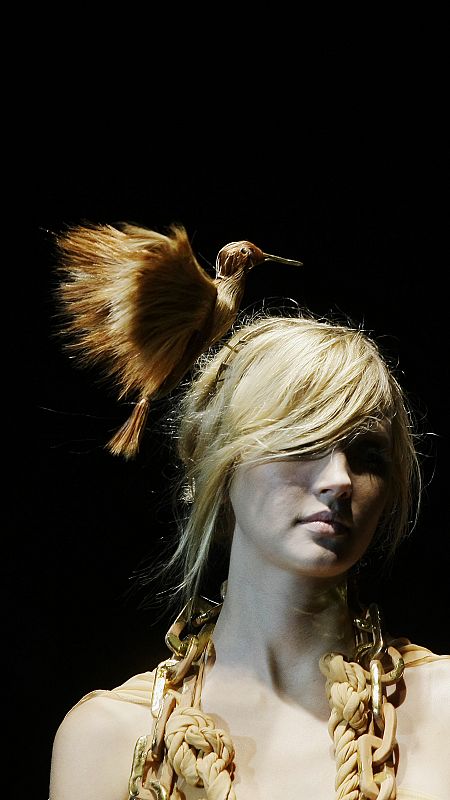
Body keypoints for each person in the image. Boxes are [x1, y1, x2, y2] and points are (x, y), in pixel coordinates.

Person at [49, 236, 450, 799]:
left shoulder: (442, 708)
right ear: (220, 461)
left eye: (368, 457)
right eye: (301, 442)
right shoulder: (111, 738)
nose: (339, 479)